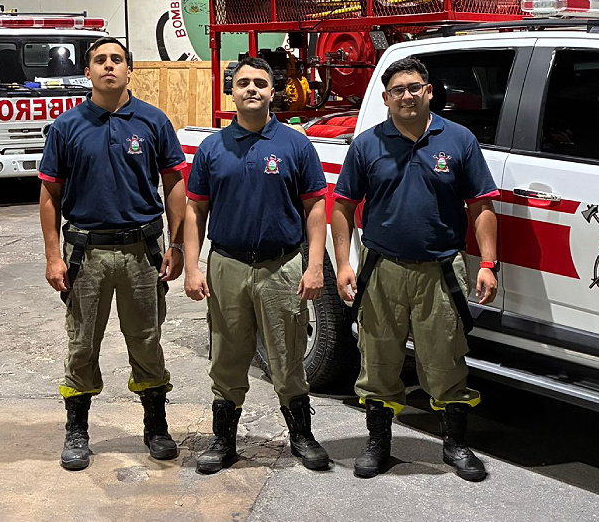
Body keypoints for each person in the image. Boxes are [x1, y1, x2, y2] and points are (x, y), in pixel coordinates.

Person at [331, 57, 498, 481]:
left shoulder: (458, 140)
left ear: (429, 92)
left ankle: (456, 446)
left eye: (414, 87)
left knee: (446, 360)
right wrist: (343, 263)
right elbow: (343, 207)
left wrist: (488, 262)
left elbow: (481, 205)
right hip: (381, 268)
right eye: (397, 90)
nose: (406, 95)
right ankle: (378, 444)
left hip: (441, 270)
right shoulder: (367, 145)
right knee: (378, 361)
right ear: (386, 98)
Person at [38, 37, 187, 471]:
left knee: (147, 341)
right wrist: (53, 255)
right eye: (99, 60)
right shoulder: (66, 127)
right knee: (82, 343)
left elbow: (174, 184)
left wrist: (176, 245)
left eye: (116, 59)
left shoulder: (153, 122)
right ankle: (78, 431)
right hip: (86, 255)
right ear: (87, 73)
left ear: (129, 70)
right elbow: (49, 194)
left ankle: (155, 426)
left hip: (143, 252)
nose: (108, 66)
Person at [183, 56, 330, 474]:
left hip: (281, 266)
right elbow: (195, 211)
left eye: (260, 83)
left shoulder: (295, 144)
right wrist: (193, 267)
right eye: (243, 82)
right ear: (231, 91)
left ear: (272, 91)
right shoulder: (213, 148)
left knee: (288, 356)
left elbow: (315, 206)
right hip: (226, 265)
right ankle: (223, 440)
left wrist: (314, 265)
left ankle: (301, 435)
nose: (251, 89)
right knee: (227, 356)